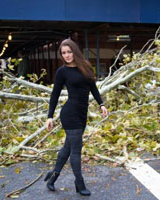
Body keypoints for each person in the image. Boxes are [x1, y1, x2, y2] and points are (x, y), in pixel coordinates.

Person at [44, 38, 108, 196]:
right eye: (63, 53)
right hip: (70, 114)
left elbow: (92, 87)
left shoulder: (85, 66)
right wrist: (49, 116)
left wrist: (101, 104)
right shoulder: (62, 72)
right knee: (76, 150)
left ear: (75, 51)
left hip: (81, 114)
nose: (66, 55)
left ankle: (52, 177)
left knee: (67, 148)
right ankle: (79, 184)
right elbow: (55, 94)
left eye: (69, 52)